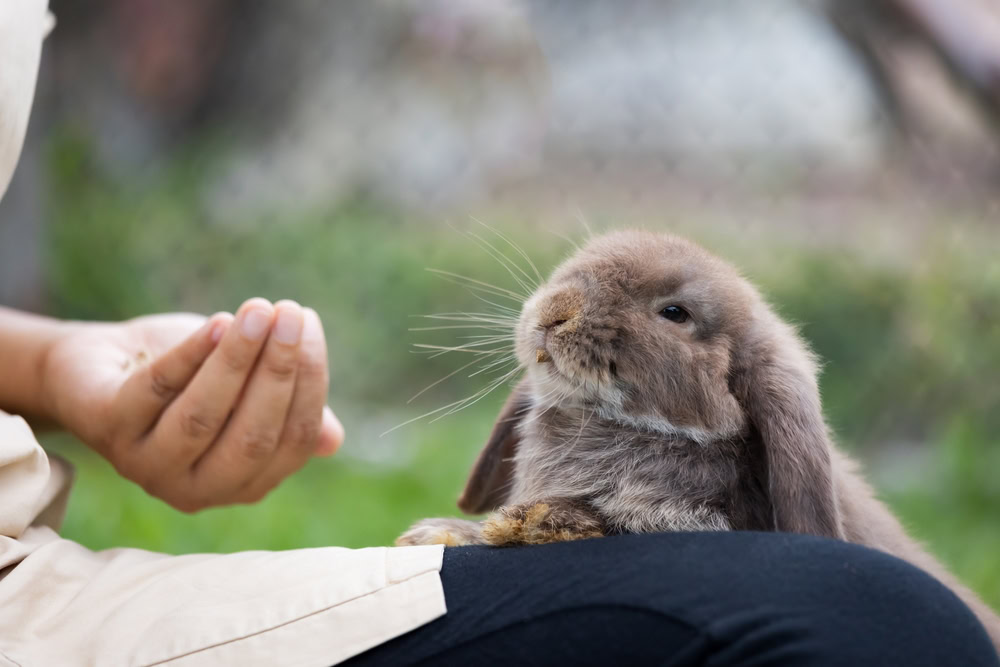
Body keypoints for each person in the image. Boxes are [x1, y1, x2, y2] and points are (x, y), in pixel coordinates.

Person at [1, 2, 997, 666]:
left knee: (891, 615)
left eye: (668, 314)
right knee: (875, 622)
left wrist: (49, 363)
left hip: (42, 575)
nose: (561, 317)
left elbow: (791, 526)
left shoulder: (762, 418)